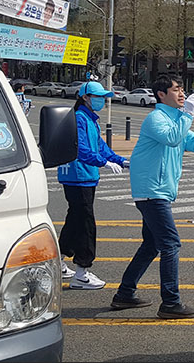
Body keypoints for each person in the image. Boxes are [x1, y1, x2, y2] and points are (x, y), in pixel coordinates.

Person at [111, 74, 194, 318]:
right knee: (170, 243)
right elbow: (172, 138)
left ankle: (124, 294)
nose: (182, 94)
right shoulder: (156, 118)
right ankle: (170, 302)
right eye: (176, 90)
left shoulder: (176, 119)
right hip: (151, 191)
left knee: (152, 244)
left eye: (182, 90)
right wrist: (188, 114)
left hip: (160, 191)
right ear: (161, 94)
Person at [56, 81, 128, 290]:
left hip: (85, 176)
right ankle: (81, 272)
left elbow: (101, 146)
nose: (102, 101)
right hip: (78, 176)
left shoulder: (89, 118)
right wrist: (104, 163)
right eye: (98, 97)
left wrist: (119, 160)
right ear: (86, 97)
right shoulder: (79, 118)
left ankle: (59, 260)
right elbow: (83, 150)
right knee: (86, 223)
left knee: (75, 218)